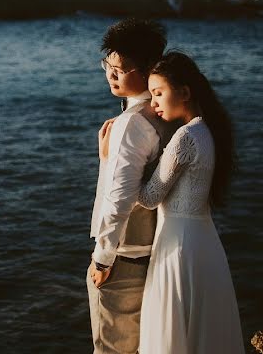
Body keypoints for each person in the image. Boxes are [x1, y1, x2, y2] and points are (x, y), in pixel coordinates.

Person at [136, 51, 244, 354]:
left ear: (184, 92)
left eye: (158, 93)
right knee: (203, 331)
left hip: (179, 246)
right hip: (205, 241)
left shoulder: (185, 137)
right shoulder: (208, 131)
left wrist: (114, 160)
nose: (153, 103)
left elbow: (148, 197)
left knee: (175, 329)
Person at [87, 18, 177, 354]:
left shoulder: (131, 125)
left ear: (148, 68)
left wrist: (102, 258)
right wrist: (106, 159)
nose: (110, 75)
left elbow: (120, 199)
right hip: (150, 253)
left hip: (122, 261)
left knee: (111, 350)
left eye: (120, 70)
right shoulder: (163, 113)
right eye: (107, 65)